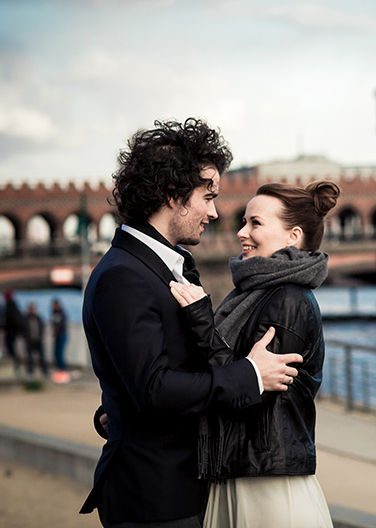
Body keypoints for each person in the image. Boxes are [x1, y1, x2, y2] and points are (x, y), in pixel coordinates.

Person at [80, 118, 302, 528]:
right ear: (173, 195)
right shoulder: (123, 277)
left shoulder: (170, 266)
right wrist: (249, 375)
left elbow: (151, 377)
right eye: (207, 196)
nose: (215, 212)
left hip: (181, 486)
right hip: (156, 498)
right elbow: (154, 388)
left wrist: (117, 408)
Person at [170, 180, 340, 527]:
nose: (242, 232)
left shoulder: (288, 299)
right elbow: (237, 375)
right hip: (242, 473)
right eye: (244, 221)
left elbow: (250, 391)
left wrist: (202, 324)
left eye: (255, 223)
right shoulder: (254, 294)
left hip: (267, 482)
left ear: (293, 236)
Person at [23, 302, 49, 377]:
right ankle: (30, 371)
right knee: (29, 357)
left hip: (38, 339)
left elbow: (42, 327)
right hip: (29, 340)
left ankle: (44, 371)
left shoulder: (38, 318)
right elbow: (24, 329)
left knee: (42, 357)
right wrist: (26, 337)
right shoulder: (26, 318)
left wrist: (40, 336)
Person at [2, 289, 23, 374]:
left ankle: (15, 367)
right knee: (11, 348)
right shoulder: (12, 305)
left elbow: (10, 319)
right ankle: (15, 366)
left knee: (11, 348)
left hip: (11, 331)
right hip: (12, 331)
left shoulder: (10, 305)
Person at [50, 298, 69, 380]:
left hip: (62, 334)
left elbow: (62, 324)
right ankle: (60, 369)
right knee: (56, 353)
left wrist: (58, 330)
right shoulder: (53, 313)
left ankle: (63, 370)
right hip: (57, 335)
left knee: (60, 353)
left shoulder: (61, 313)